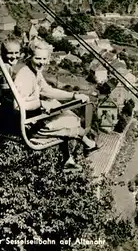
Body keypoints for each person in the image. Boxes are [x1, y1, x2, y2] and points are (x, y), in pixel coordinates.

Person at [13, 39, 100, 170]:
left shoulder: (34, 72)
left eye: (44, 58)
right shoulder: (25, 76)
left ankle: (70, 157)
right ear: (30, 56)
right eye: (38, 58)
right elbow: (18, 106)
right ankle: (86, 146)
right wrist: (40, 103)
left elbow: (47, 90)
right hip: (30, 124)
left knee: (63, 111)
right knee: (71, 121)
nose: (41, 62)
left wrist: (73, 95)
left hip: (35, 117)